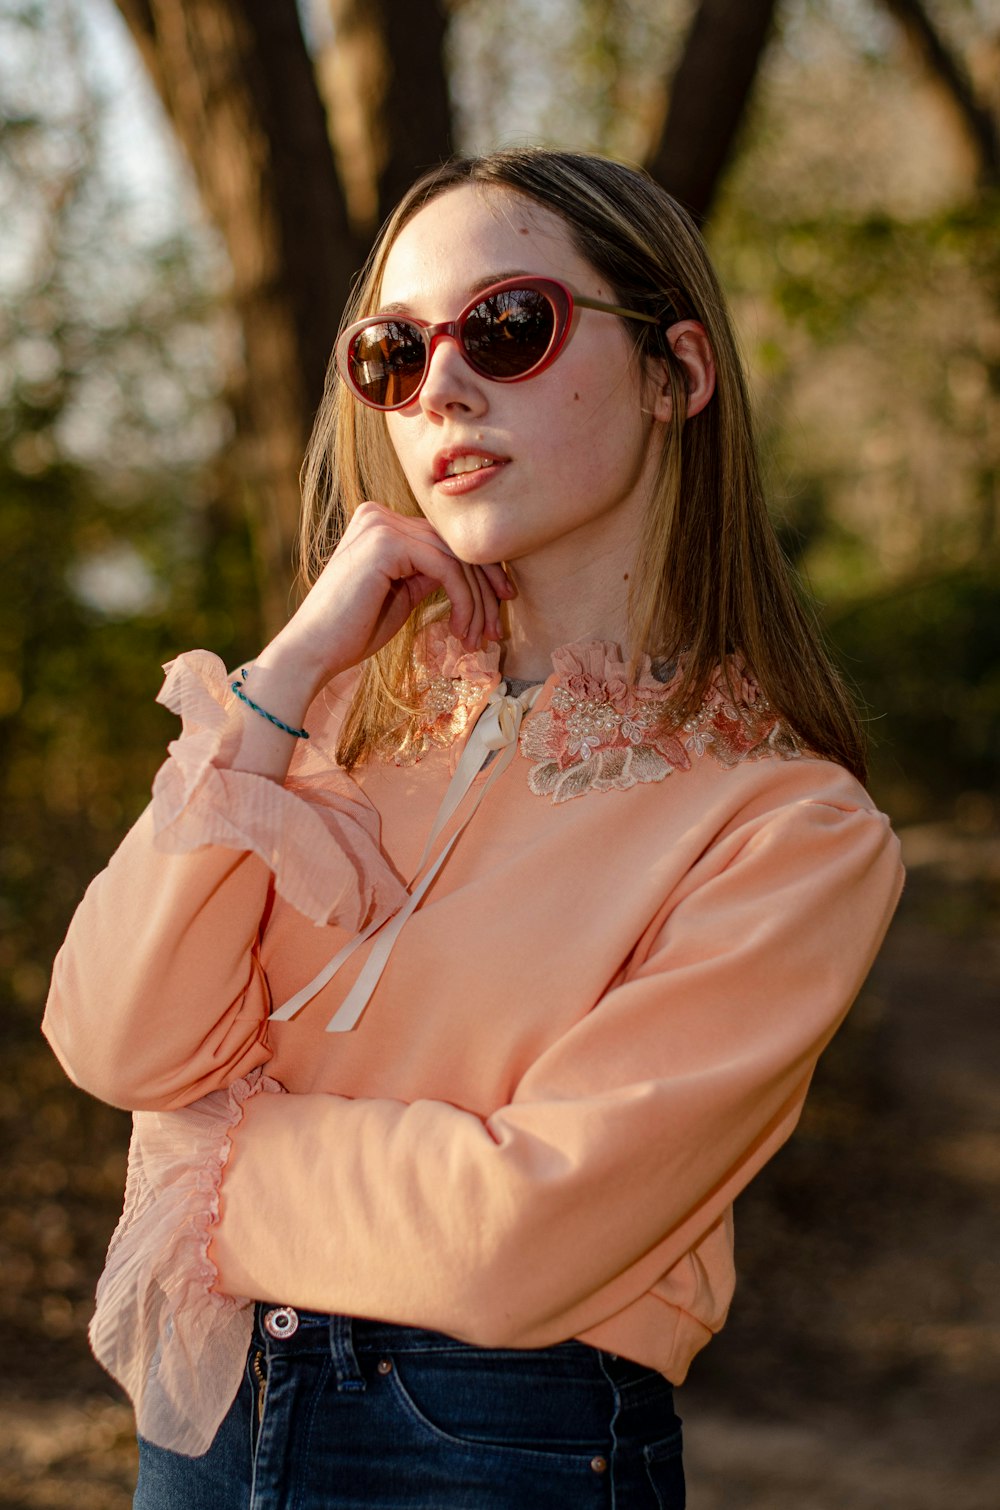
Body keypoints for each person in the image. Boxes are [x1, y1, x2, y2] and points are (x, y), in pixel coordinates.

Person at [44, 148, 903, 1510]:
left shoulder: (788, 830)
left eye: (507, 327)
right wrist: (282, 678)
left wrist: (199, 1150)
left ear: (677, 371)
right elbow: (111, 1036)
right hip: (206, 1429)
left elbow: (512, 1234)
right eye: (392, 352)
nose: (438, 388)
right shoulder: (322, 729)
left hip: (505, 1447)